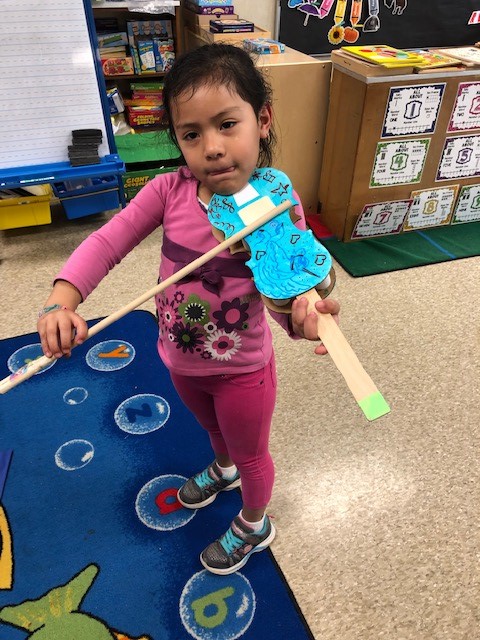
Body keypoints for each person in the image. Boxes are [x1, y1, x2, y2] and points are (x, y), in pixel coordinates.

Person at [37, 43, 340, 575]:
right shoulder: (167, 192)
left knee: (251, 454)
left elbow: (285, 287)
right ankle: (220, 468)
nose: (213, 148)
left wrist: (302, 318)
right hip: (178, 359)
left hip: (242, 369)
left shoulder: (275, 203)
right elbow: (107, 242)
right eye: (192, 134)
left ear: (262, 120)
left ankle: (254, 522)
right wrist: (63, 298)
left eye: (227, 124)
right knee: (215, 435)